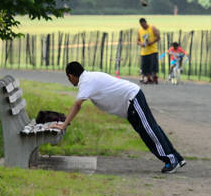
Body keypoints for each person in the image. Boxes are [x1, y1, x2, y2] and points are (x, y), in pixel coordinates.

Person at [57, 61, 185, 174]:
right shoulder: (89, 77)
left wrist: (64, 124)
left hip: (132, 98)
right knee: (150, 130)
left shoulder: (86, 81)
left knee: (150, 131)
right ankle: (176, 158)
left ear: (71, 76)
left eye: (69, 78)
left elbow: (77, 105)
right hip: (131, 102)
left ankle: (171, 160)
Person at [137, 18, 161, 84]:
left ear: (145, 22)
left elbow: (158, 37)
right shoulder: (140, 30)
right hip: (144, 52)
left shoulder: (152, 28)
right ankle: (148, 78)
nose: (142, 26)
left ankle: (154, 77)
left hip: (153, 51)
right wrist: (141, 44)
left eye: (143, 24)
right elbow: (137, 40)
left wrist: (151, 42)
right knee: (145, 66)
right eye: (141, 25)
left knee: (153, 66)